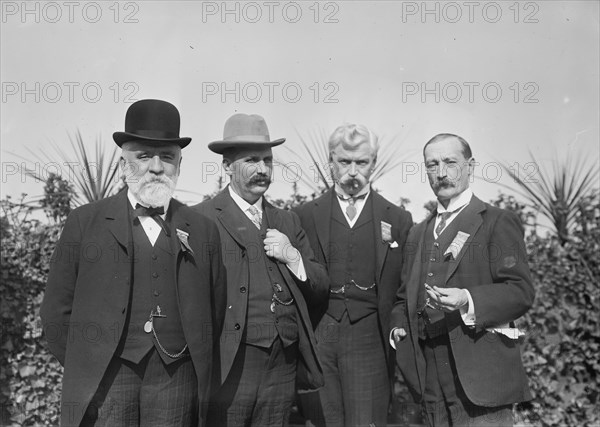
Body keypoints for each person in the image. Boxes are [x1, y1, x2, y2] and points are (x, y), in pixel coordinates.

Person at [40, 99, 227, 427]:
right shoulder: (85, 223)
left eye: (167, 157)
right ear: (124, 164)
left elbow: (216, 309)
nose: (156, 167)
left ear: (179, 165)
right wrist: (88, 365)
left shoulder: (203, 230)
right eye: (143, 156)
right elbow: (56, 311)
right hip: (107, 378)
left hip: (177, 378)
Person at [192, 113, 329, 427]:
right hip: (230, 365)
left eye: (268, 160)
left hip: (282, 364)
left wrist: (293, 257)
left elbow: (321, 286)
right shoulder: (200, 220)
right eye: (252, 160)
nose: (263, 170)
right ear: (227, 166)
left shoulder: (287, 221)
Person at [390, 133, 535, 426]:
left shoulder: (496, 221)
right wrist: (397, 328)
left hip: (481, 376)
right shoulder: (417, 233)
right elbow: (403, 298)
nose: (441, 173)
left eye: (450, 162)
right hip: (429, 378)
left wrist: (467, 299)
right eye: (432, 165)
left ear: (470, 166)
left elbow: (520, 292)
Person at [293, 124, 413, 426]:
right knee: (323, 419)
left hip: (370, 337)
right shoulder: (305, 215)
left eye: (361, 162)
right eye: (344, 162)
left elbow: (404, 288)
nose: (352, 171)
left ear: (373, 163)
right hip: (321, 333)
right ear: (331, 161)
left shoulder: (397, 218)